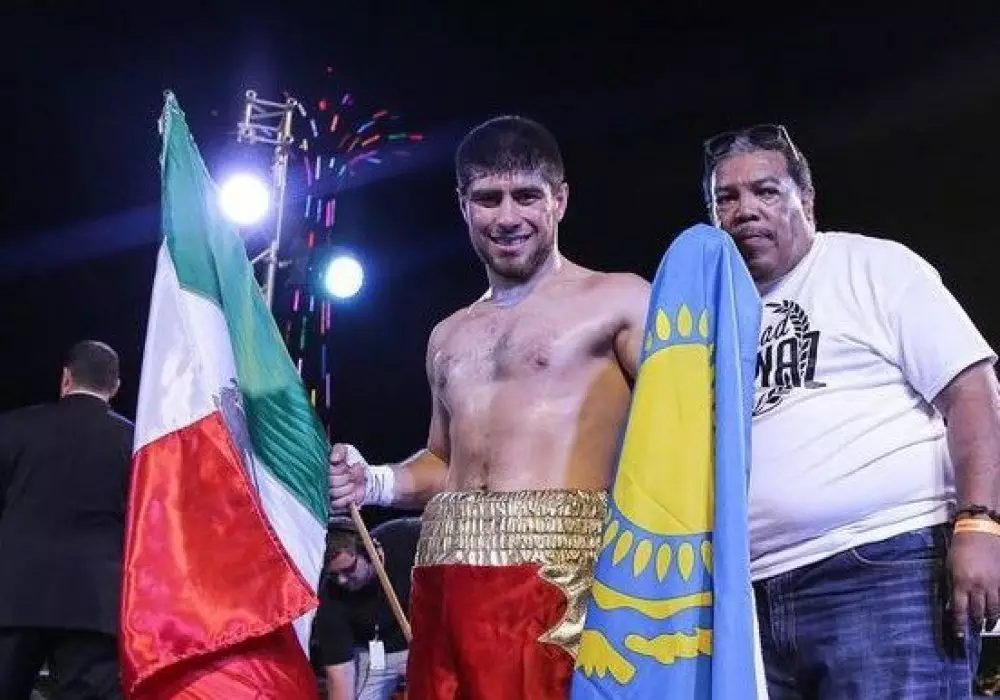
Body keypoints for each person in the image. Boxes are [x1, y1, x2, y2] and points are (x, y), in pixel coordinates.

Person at [329, 115, 651, 699]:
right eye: (488, 198)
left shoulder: (621, 298)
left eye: (526, 196)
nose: (507, 217)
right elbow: (442, 460)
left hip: (560, 572)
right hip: (444, 572)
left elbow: (683, 427)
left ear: (559, 200)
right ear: (463, 205)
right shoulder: (448, 334)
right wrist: (371, 481)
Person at [702, 122, 1000, 698]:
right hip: (751, 594)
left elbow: (973, 391)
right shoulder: (709, 316)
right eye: (726, 198)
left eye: (766, 191)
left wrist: (981, 523)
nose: (745, 210)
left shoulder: (872, 267)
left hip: (883, 567)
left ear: (807, 199)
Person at [0, 340, 134, 699]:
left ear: (65, 378)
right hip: (95, 603)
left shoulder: (13, 427)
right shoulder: (135, 443)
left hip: (13, 595)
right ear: (115, 387)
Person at [312, 516, 421, 700]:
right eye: (334, 575)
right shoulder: (330, 595)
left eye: (348, 570)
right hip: (371, 654)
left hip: (425, 643)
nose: (341, 581)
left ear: (371, 553)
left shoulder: (409, 537)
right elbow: (340, 673)